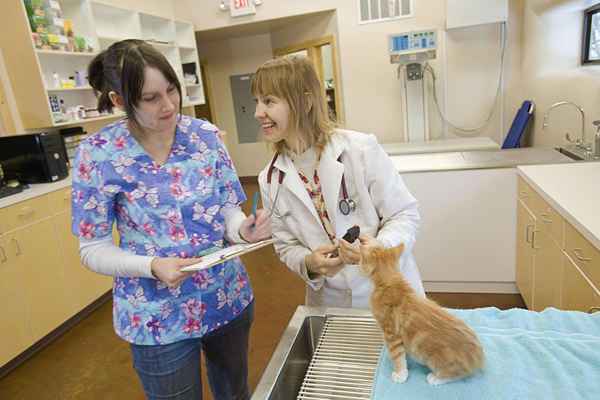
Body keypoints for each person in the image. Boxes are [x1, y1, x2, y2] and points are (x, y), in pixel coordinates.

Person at [71, 39, 270, 400]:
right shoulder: (96, 156)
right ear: (118, 101)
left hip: (225, 298)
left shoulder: (205, 137)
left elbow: (227, 211)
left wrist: (243, 229)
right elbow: (92, 249)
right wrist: (152, 265)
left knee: (236, 394)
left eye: (171, 90)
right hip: (156, 317)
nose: (169, 105)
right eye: (151, 98)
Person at [254, 56, 424, 308]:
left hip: (387, 289)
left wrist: (378, 248)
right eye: (256, 102)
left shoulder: (360, 150)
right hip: (330, 301)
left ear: (306, 101)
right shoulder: (270, 179)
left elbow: (404, 215)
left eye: (269, 101)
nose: (258, 113)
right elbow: (285, 244)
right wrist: (310, 263)